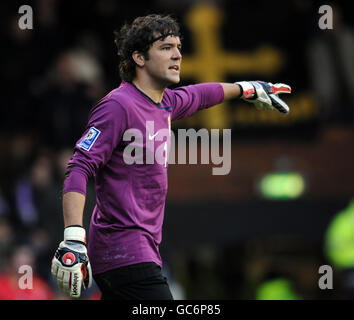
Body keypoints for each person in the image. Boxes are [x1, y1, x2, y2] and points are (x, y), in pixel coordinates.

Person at [51, 14, 291, 300]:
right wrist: (74, 238)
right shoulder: (118, 105)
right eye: (166, 47)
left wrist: (246, 88)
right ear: (139, 57)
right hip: (124, 251)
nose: (178, 54)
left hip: (136, 253)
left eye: (178, 47)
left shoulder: (165, 104)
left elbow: (202, 94)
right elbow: (79, 166)